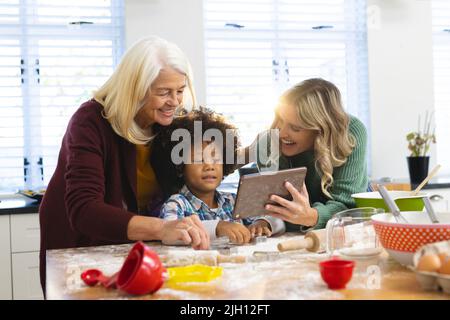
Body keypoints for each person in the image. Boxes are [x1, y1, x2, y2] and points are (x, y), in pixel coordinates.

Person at [38, 36, 210, 293]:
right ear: (135, 89)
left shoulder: (169, 124)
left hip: (133, 244)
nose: (175, 102)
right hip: (78, 244)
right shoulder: (89, 122)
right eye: (163, 92)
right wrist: (162, 229)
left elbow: (210, 160)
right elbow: (84, 209)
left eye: (180, 90)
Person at [251, 78, 369, 232]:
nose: (281, 132)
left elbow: (348, 206)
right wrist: (265, 221)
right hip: (304, 229)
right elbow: (280, 209)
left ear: (321, 130)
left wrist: (312, 216)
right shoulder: (268, 142)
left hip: (348, 228)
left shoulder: (350, 132)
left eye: (295, 127)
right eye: (280, 119)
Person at [153, 108, 285, 243]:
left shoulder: (234, 201)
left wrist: (263, 223)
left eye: (216, 159)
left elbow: (278, 220)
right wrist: (217, 227)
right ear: (179, 167)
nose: (209, 166)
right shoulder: (177, 204)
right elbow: (172, 233)